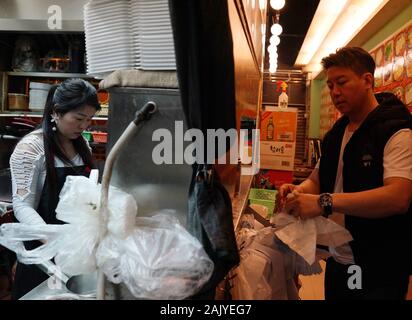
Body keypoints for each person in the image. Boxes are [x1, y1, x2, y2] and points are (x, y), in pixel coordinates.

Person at [278, 47, 412, 300]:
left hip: (378, 265)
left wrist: (323, 202)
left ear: (367, 81)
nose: (335, 92)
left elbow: (398, 197)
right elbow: (317, 178)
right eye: (330, 85)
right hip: (339, 257)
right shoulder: (338, 132)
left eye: (342, 82)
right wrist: (300, 192)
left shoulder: (396, 131)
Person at [9, 78, 101, 299]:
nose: (84, 126)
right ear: (57, 112)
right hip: (42, 254)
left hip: (76, 252)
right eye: (78, 118)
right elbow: (22, 205)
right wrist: (52, 241)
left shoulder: (82, 145)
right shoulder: (32, 148)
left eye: (89, 119)